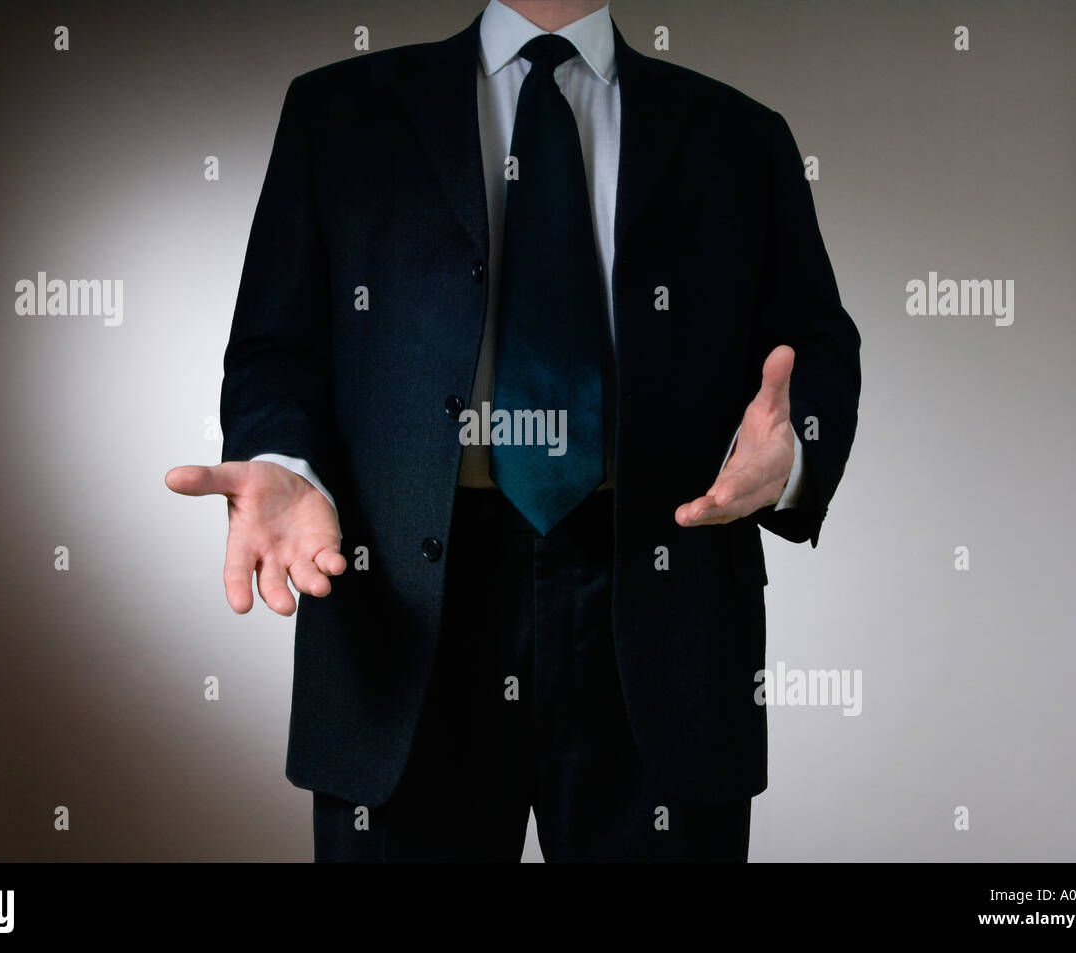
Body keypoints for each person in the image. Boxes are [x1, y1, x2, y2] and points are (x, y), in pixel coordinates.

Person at [167, 0, 860, 862]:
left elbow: (820, 345)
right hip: (405, 606)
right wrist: (282, 460)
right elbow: (275, 345)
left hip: (661, 587)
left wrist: (792, 454)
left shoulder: (739, 133)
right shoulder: (338, 109)